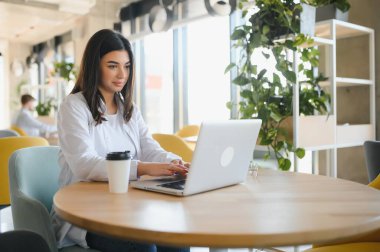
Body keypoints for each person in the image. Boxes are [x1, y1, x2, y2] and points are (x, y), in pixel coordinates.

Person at [51, 29, 190, 252]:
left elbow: (149, 147)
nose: (121, 75)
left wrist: (175, 163)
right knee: (144, 248)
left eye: (126, 66)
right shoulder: (74, 106)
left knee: (177, 242)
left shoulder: (129, 108)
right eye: (112, 65)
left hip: (128, 207)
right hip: (88, 213)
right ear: (95, 66)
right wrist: (144, 168)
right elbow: (84, 164)